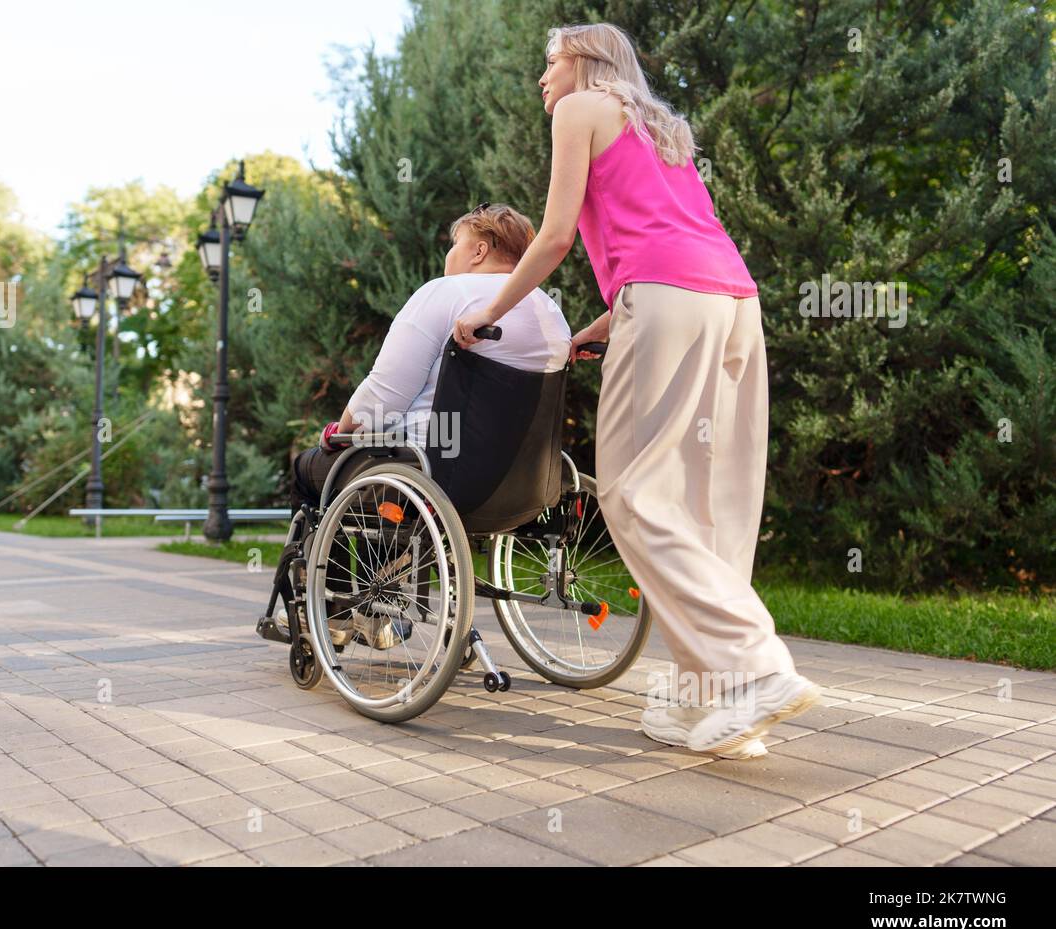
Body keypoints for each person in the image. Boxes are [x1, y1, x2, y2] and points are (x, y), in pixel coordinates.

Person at [450, 23, 821, 759]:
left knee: (632, 492)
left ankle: (754, 667)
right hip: (733, 304)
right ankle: (707, 703)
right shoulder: (664, 130)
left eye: (548, 62)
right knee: (712, 503)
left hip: (667, 301)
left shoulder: (579, 109)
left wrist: (486, 311)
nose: (542, 80)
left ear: (585, 63)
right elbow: (669, 243)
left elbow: (554, 237)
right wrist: (602, 326)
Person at [290, 202, 571, 511]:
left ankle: (329, 560)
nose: (449, 255)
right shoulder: (551, 313)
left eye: (454, 245)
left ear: (478, 252)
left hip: (432, 473)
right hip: (524, 486)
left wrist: (340, 433)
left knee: (308, 470)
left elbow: (384, 397)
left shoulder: (447, 292)